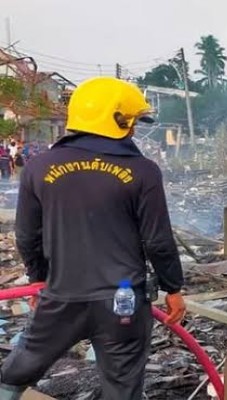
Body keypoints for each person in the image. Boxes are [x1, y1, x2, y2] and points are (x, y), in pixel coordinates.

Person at [0, 76, 186, 400]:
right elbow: (157, 240)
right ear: (118, 121)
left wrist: (38, 279)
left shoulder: (38, 167)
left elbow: (27, 235)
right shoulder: (143, 171)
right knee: (122, 388)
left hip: (60, 297)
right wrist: (173, 288)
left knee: (16, 373)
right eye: (133, 122)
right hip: (123, 303)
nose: (134, 130)